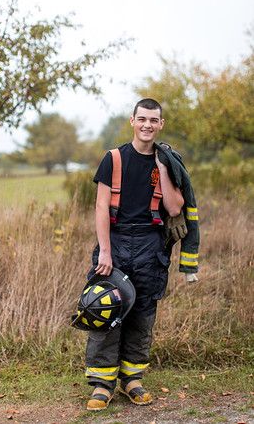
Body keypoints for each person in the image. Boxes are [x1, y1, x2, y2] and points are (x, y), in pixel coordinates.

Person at [85, 98, 199, 411]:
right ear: (132, 121)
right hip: (116, 241)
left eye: (154, 120)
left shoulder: (168, 161)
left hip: (151, 244)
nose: (147, 125)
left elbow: (175, 208)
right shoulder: (113, 158)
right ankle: (101, 384)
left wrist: (163, 166)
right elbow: (100, 207)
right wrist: (105, 251)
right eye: (142, 119)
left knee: (143, 313)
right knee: (105, 309)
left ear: (161, 124)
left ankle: (131, 379)